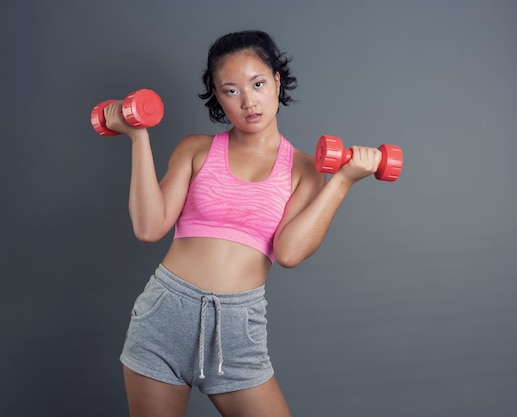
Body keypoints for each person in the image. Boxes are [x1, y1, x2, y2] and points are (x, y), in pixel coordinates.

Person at [104, 30, 382, 417]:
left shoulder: (304, 169)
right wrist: (138, 137)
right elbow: (149, 228)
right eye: (231, 91)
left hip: (238, 329)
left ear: (276, 82)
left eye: (258, 84)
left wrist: (343, 181)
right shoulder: (196, 148)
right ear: (217, 97)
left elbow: (288, 253)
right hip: (164, 316)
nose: (248, 101)